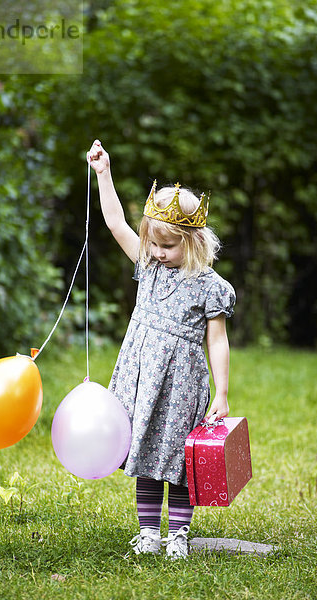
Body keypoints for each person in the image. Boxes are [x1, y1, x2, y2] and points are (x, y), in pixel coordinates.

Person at [87, 139, 236, 559]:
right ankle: (150, 532)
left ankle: (179, 536)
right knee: (146, 452)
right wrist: (104, 174)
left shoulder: (209, 286)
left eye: (167, 246)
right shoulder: (147, 266)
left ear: (193, 242)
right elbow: (116, 223)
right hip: (142, 378)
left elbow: (218, 341)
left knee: (178, 461)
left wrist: (221, 393)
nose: (156, 252)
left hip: (181, 384)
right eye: (152, 244)